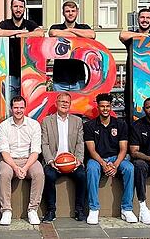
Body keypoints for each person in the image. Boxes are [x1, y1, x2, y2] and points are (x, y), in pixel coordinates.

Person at [83, 93, 137, 225]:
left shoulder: (120, 124)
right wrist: (103, 164)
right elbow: (91, 150)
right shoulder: (90, 125)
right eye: (102, 106)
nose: (105, 109)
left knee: (129, 168)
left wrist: (115, 165)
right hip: (97, 159)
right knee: (91, 168)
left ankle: (127, 209)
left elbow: (124, 148)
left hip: (115, 158)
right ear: (98, 107)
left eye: (107, 106)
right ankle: (94, 209)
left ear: (111, 107)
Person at [0, 96, 45, 226]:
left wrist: (24, 168)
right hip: (9, 160)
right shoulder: (4, 126)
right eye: (16, 107)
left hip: (29, 159)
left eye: (21, 107)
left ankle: (33, 210)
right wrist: (15, 167)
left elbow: (35, 151)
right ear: (11, 109)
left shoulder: (34, 125)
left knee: (39, 173)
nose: (18, 110)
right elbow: (4, 151)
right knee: (4, 174)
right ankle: (6, 210)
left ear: (25, 108)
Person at [40, 92, 87, 222]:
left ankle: (80, 210)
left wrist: (78, 160)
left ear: (70, 105)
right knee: (48, 176)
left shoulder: (77, 121)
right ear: (56, 103)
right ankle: (51, 210)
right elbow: (44, 143)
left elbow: (80, 142)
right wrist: (50, 160)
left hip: (72, 161)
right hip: (54, 161)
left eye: (67, 102)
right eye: (62, 101)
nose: (64, 104)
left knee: (82, 176)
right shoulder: (46, 121)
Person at [0, 0, 44, 99]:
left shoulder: (29, 23)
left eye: (21, 7)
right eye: (15, 6)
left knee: (27, 104)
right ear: (11, 8)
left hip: (27, 71)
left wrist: (19, 36)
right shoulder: (5, 23)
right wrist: (19, 32)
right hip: (9, 71)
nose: (18, 9)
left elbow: (40, 33)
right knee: (9, 103)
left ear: (24, 9)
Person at [48, 1, 95, 91]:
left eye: (73, 11)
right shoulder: (56, 27)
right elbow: (53, 33)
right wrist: (78, 34)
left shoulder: (84, 27)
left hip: (78, 79)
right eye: (67, 11)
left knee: (77, 105)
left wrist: (69, 30)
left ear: (77, 12)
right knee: (60, 105)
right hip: (59, 79)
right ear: (63, 13)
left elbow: (92, 35)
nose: (70, 13)